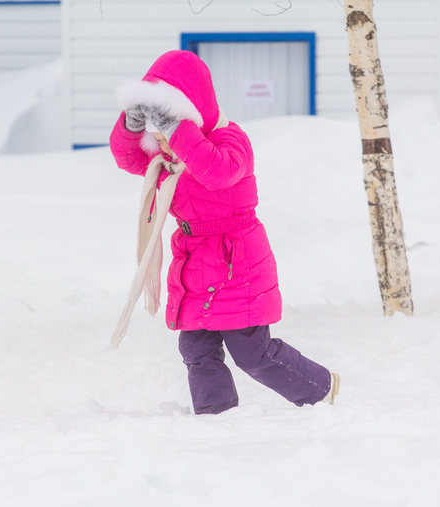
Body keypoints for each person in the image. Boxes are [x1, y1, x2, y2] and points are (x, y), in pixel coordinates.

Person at [109, 50, 339, 415]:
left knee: (253, 352)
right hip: (194, 259)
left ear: (189, 116)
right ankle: (215, 413)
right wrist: (132, 123)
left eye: (167, 132)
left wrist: (176, 130)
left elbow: (216, 172)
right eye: (159, 135)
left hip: (237, 260)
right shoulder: (170, 157)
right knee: (195, 348)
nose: (163, 143)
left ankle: (321, 388)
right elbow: (127, 158)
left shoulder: (229, 141)